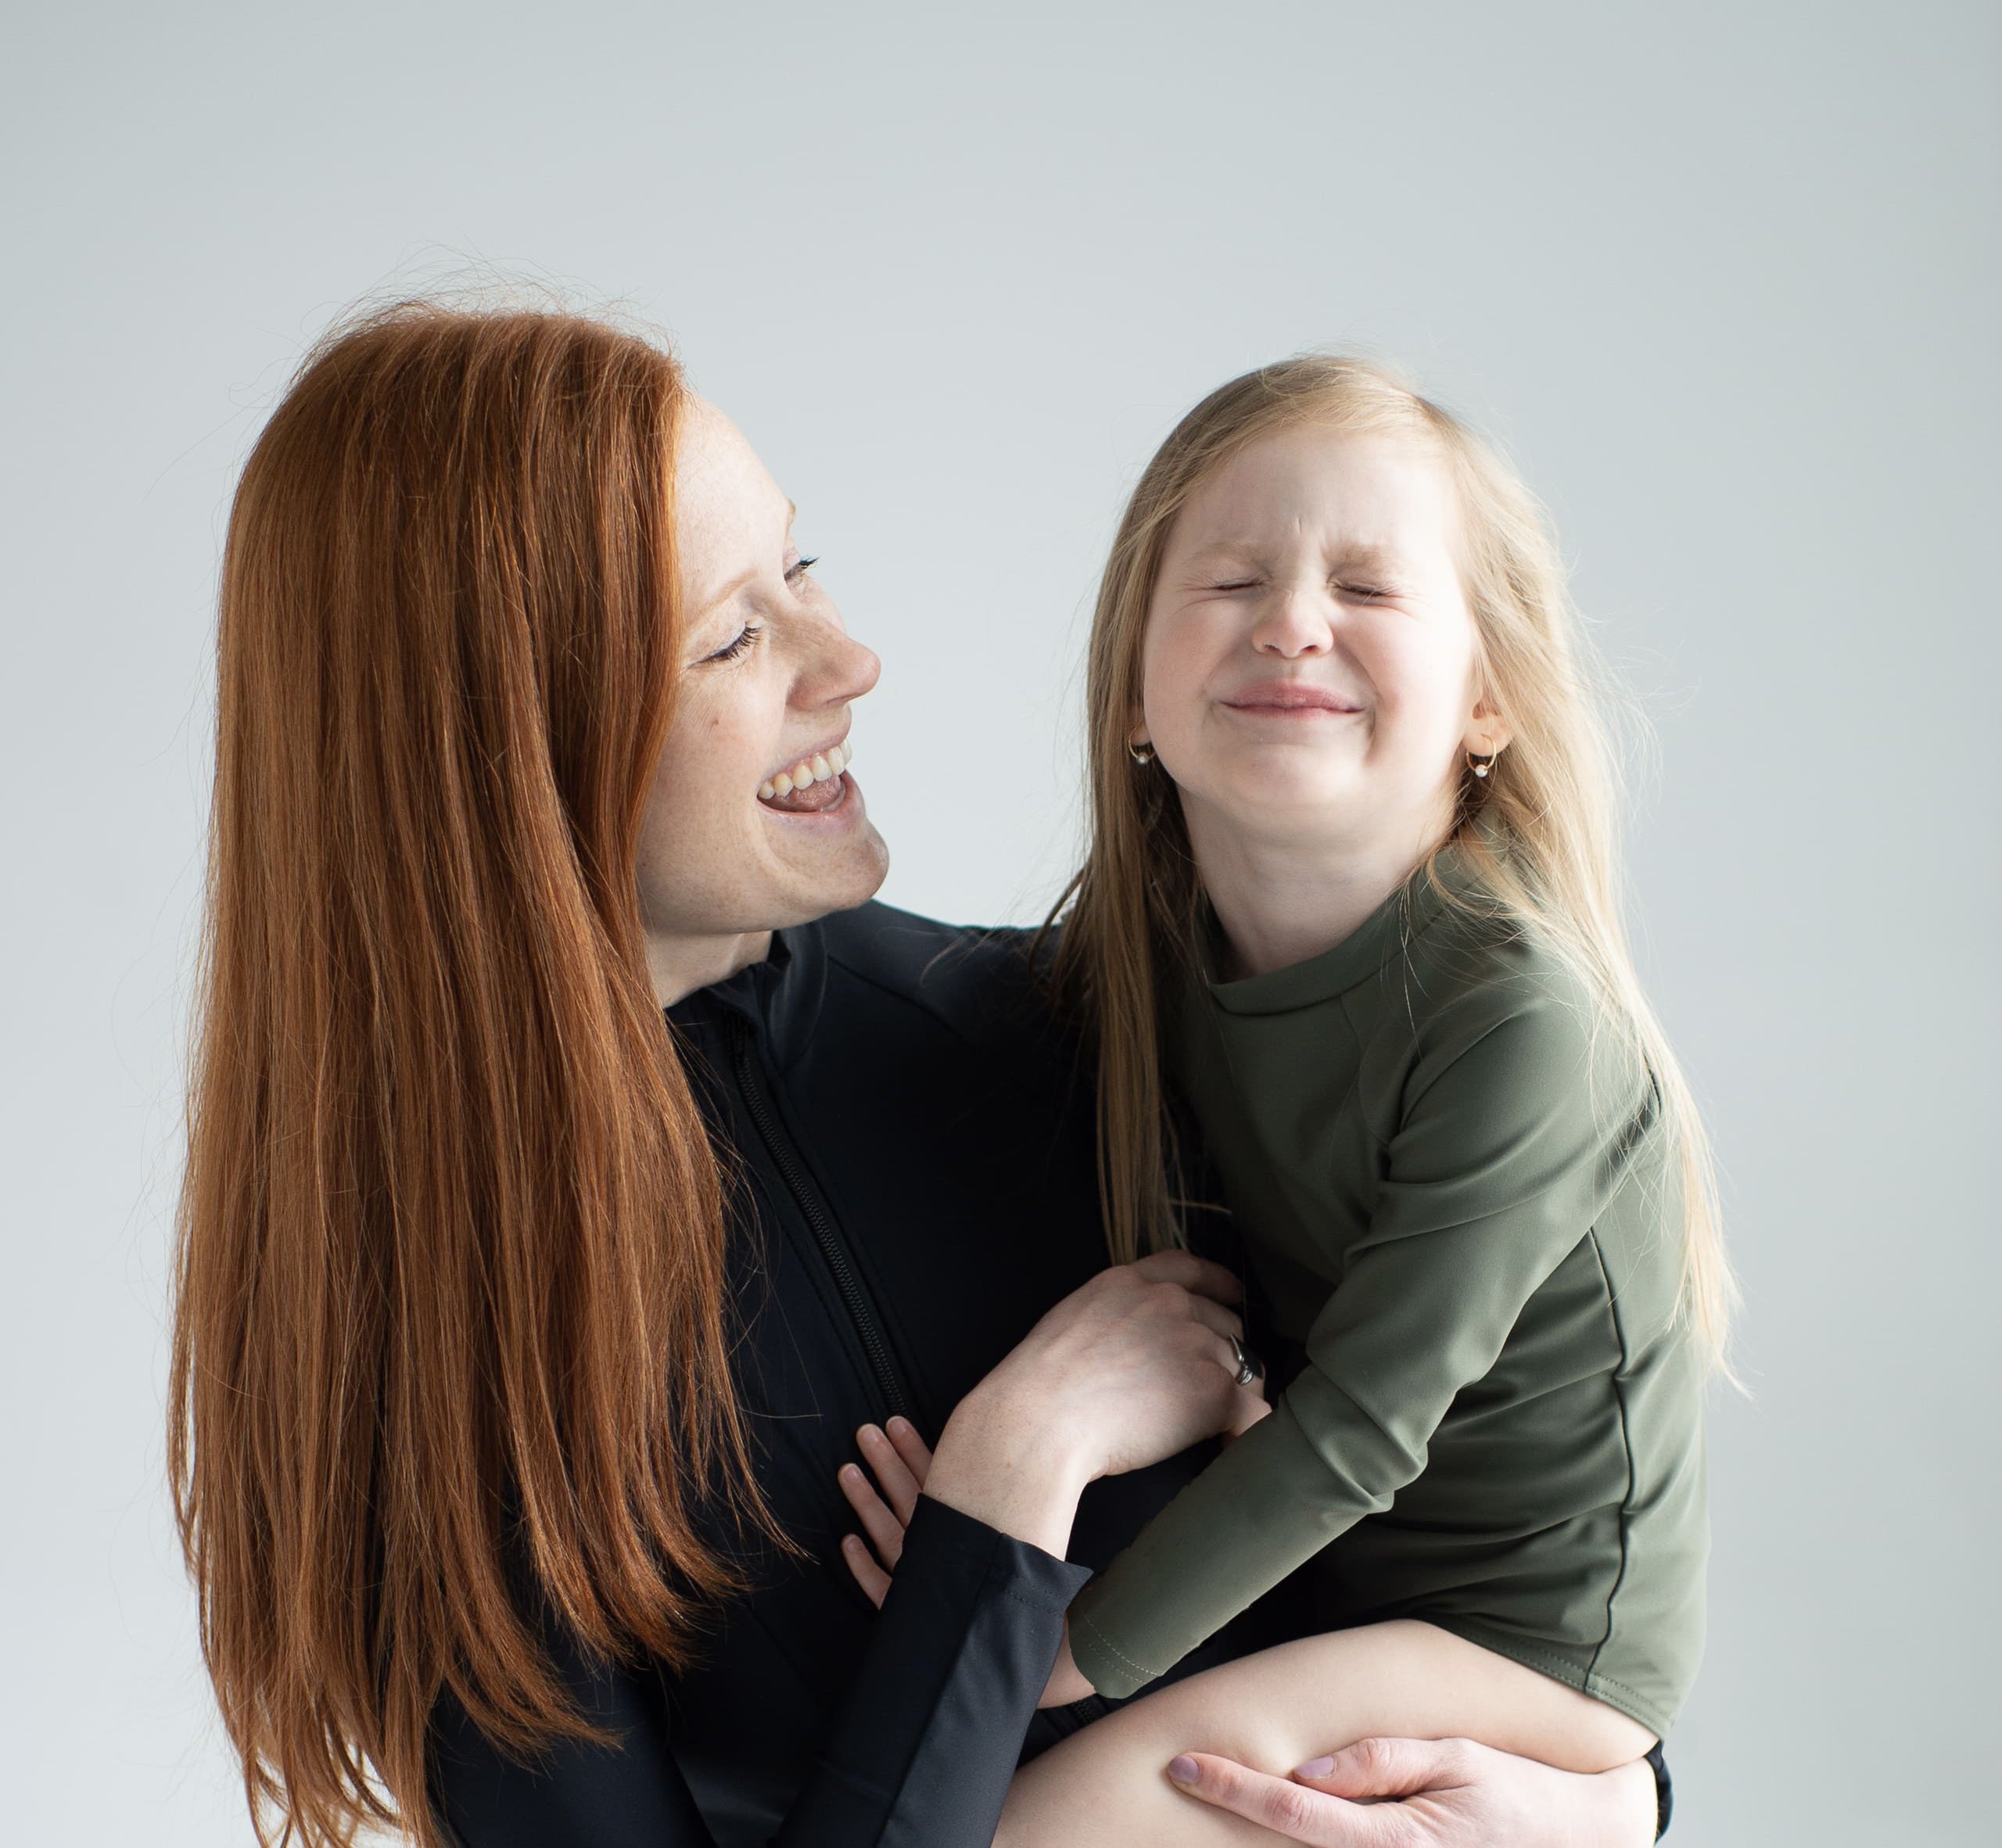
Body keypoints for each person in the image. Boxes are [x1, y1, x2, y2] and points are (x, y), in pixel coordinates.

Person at [168, 303, 1669, 1848]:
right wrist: (1007, 1486)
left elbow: (1466, 1511)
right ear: (508, 738)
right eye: (736, 634)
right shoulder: (426, 1384)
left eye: (797, 570)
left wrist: (1601, 1803)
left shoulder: (1046, 1024)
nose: (849, 660)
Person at [843, 356, 1715, 1844]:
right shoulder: (1143, 966)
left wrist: (1036, 1642)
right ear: (1134, 680)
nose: (1292, 619)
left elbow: (1366, 1428)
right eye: (1232, 576)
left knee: (1011, 1835)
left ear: (1488, 696)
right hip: (1333, 1578)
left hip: (1528, 1647)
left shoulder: (1518, 1017)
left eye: (1370, 591)